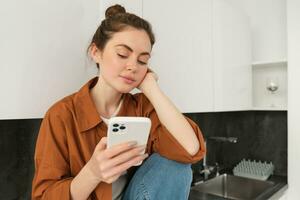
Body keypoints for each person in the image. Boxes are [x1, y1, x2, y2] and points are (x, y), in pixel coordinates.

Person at [31, 4, 206, 200]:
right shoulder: (61, 115)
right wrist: (92, 173)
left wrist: (151, 88)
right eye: (122, 54)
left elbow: (190, 150)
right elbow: (44, 196)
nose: (132, 66)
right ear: (96, 52)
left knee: (176, 166)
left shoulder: (143, 106)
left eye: (142, 61)